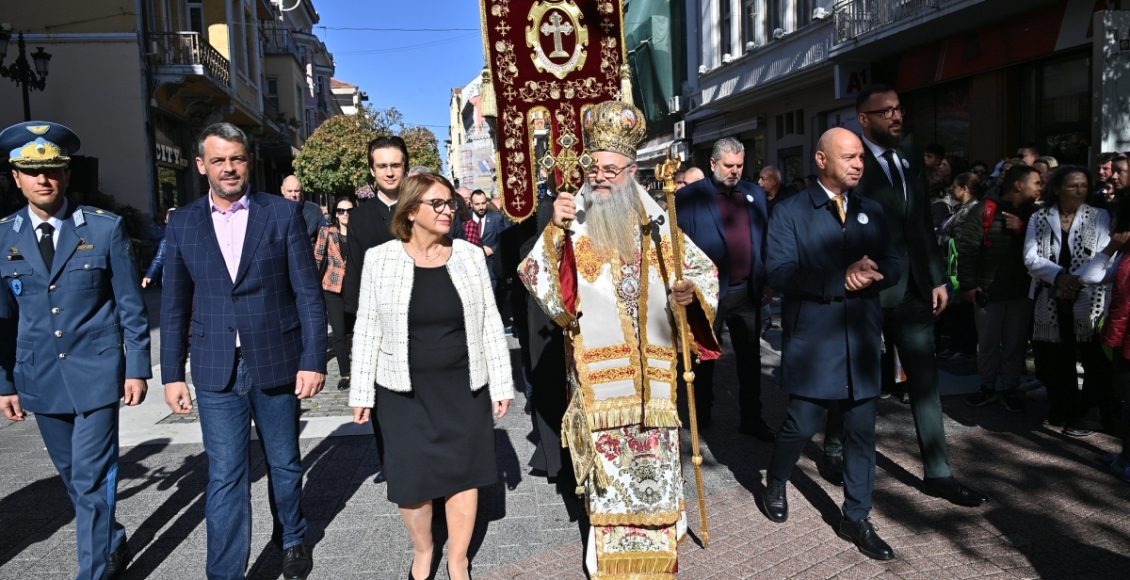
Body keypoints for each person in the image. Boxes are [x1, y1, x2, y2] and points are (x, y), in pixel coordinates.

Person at [519, 100, 720, 578]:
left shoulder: (657, 222)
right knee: (610, 477)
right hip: (602, 383)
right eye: (594, 168)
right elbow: (536, 277)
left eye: (612, 169)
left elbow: (702, 274)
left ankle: (660, 551)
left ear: (632, 171)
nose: (602, 178)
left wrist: (688, 293)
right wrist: (554, 229)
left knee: (659, 466)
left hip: (655, 383)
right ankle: (611, 558)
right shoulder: (571, 223)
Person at [160, 122, 326, 580]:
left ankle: (292, 537)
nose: (228, 168)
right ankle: (226, 572)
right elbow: (174, 305)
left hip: (277, 359)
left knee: (285, 464)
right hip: (216, 369)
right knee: (226, 475)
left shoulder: (280, 214)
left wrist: (313, 359)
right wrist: (172, 373)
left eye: (236, 158)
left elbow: (308, 294)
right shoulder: (184, 223)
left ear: (247, 161)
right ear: (201, 166)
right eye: (218, 160)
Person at [824, 85, 988, 507]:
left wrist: (938, 278)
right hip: (868, 288)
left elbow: (919, 225)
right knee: (857, 375)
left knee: (924, 379)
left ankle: (939, 473)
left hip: (914, 288)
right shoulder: (852, 162)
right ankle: (834, 448)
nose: (897, 116)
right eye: (887, 111)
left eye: (899, 109)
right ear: (864, 119)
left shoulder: (910, 156)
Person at [0, 121, 151, 579]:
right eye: (32, 171)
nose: (44, 179)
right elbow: (3, 321)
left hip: (98, 373)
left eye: (54, 170)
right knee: (73, 480)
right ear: (16, 178)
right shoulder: (3, 236)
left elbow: (131, 306)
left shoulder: (104, 230)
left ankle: (93, 571)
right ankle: (111, 538)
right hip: (40, 377)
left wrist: (138, 368)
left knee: (91, 479)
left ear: (67, 176)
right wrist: (5, 383)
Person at [350, 173, 514, 580]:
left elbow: (490, 322)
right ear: (410, 211)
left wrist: (502, 382)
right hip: (402, 391)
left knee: (464, 475)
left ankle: (458, 560)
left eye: (450, 204)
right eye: (437, 204)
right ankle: (424, 551)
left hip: (463, 386)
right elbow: (367, 325)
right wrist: (361, 391)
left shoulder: (469, 256)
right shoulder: (380, 258)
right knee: (412, 480)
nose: (448, 211)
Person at [759, 127, 899, 560]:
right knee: (801, 425)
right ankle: (777, 481)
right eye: (849, 157)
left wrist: (879, 272)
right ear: (821, 161)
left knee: (860, 433)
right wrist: (839, 279)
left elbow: (895, 261)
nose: (859, 164)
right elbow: (779, 273)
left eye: (861, 157)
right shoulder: (791, 211)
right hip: (814, 340)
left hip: (859, 340)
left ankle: (856, 516)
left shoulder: (872, 210)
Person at [676, 137, 773, 439]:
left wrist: (767, 278)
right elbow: (678, 243)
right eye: (728, 166)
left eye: (740, 165)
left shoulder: (755, 193)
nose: (734, 171)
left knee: (750, 359)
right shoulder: (690, 197)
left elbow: (765, 238)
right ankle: (701, 415)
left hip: (747, 291)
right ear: (713, 164)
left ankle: (752, 418)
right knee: (704, 357)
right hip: (709, 293)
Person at [1024, 166, 1114, 437]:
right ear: (1058, 188)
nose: (1079, 190)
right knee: (1054, 357)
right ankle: (1062, 407)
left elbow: (1103, 254)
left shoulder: (1099, 216)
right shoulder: (1039, 217)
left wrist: (1075, 281)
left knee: (1091, 357)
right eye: (1073, 185)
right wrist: (1060, 277)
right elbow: (1030, 258)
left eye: (1084, 186)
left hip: (1087, 296)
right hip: (1050, 296)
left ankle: (1088, 415)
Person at [343, 135, 410, 464]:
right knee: (386, 404)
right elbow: (354, 272)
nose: (389, 172)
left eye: (395, 165)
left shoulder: (422, 207)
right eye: (382, 166)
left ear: (404, 167)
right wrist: (355, 328)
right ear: (372, 170)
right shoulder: (359, 217)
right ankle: (395, 468)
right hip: (380, 326)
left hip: (421, 320)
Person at [958, 166, 1040, 410]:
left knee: (1015, 343)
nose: (1040, 187)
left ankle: (1009, 387)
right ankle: (987, 386)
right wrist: (969, 285)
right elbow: (967, 249)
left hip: (1021, 291)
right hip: (987, 292)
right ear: (1018, 185)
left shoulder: (1035, 214)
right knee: (988, 343)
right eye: (1036, 182)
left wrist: (1022, 230)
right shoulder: (984, 210)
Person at [315, 196, 356, 391]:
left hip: (355, 288)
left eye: (349, 210)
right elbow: (318, 257)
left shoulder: (360, 232)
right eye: (341, 210)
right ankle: (345, 373)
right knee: (339, 334)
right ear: (335, 213)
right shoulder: (327, 232)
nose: (345, 214)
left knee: (354, 333)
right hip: (332, 288)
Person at [281, 175, 323, 244]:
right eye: (289, 191)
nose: (293, 194)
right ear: (282, 191)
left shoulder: (314, 210)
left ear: (301, 191)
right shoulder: (274, 211)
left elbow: (323, 236)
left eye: (296, 191)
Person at [142, 207, 176, 287]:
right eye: (168, 221)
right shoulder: (166, 240)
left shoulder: (189, 236)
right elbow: (159, 259)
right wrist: (149, 275)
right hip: (172, 278)